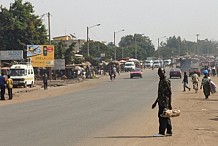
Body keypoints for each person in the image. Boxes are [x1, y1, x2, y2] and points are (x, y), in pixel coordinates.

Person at [152, 67, 173, 137]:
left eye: (161, 72)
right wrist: (155, 103)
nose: (160, 73)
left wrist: (170, 104)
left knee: (162, 117)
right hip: (161, 101)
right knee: (166, 116)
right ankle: (169, 131)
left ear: (164, 72)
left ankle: (161, 132)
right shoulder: (161, 81)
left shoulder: (165, 81)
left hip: (165, 102)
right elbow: (160, 94)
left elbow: (169, 93)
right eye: (159, 72)